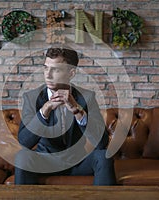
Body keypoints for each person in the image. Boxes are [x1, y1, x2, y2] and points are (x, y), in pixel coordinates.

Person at [14, 46, 116, 185]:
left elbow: (102, 143)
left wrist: (77, 110)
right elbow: (24, 142)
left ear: (71, 73)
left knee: (103, 156)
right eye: (45, 68)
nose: (47, 75)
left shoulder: (86, 97)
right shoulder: (32, 98)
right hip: (45, 162)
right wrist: (44, 112)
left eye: (55, 69)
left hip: (78, 161)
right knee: (22, 156)